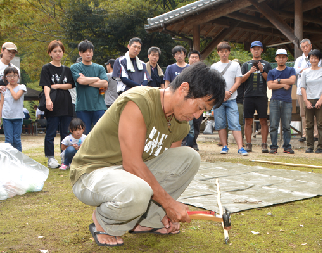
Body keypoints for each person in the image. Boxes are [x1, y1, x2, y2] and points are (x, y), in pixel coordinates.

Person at [69, 62, 225, 247]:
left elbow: (169, 173)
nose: (199, 116)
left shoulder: (180, 124)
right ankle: (105, 222)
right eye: (199, 107)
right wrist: (169, 204)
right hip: (92, 173)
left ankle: (147, 221)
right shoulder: (139, 101)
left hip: (127, 177)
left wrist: (167, 210)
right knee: (138, 189)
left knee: (189, 158)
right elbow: (132, 165)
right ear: (184, 89)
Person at [39, 40, 75, 168]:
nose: (58, 54)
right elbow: (46, 85)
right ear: (50, 53)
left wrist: (58, 85)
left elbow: (70, 84)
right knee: (51, 132)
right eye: (55, 51)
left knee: (65, 132)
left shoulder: (67, 69)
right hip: (53, 104)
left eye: (60, 51)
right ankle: (50, 158)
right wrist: (48, 99)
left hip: (66, 103)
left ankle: (65, 156)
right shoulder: (46, 68)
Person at [211, 42, 247, 155]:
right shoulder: (214, 66)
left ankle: (240, 147)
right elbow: (212, 83)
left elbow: (238, 81)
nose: (224, 54)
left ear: (229, 52)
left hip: (232, 99)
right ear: (218, 52)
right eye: (221, 51)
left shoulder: (235, 65)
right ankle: (224, 146)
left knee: (235, 123)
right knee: (220, 123)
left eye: (226, 51)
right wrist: (222, 93)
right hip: (218, 99)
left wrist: (230, 92)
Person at [70, 40, 108, 135]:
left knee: (100, 133)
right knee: (84, 135)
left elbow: (105, 83)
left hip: (99, 106)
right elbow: (81, 81)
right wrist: (96, 78)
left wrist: (87, 81)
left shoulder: (100, 68)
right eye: (85, 51)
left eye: (90, 51)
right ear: (80, 53)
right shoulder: (75, 67)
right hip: (82, 106)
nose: (88, 54)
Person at [240, 41, 272, 153]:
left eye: (259, 48)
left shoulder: (267, 64)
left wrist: (262, 70)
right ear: (251, 50)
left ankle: (264, 144)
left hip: (262, 96)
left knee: (263, 120)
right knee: (247, 120)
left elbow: (270, 80)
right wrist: (250, 72)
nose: (256, 50)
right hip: (248, 96)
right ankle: (248, 144)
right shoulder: (245, 64)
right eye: (254, 48)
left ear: (262, 50)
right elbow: (241, 80)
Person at [267, 49, 296, 154]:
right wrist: (283, 84)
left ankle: (287, 146)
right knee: (273, 125)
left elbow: (292, 80)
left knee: (286, 126)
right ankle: (273, 146)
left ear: (286, 58)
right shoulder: (271, 72)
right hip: (274, 101)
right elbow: (270, 85)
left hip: (287, 101)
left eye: (283, 57)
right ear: (276, 59)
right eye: (279, 57)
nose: (281, 59)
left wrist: (278, 81)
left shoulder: (291, 70)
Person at [300, 49, 322, 153]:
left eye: (315, 58)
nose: (313, 60)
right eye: (311, 57)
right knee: (309, 124)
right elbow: (302, 87)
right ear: (309, 59)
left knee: (321, 124)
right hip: (308, 99)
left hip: (320, 99)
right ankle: (309, 146)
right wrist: (306, 101)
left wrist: (320, 100)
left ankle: (321, 146)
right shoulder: (305, 72)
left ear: (319, 59)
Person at [294, 39, 321, 143]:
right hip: (301, 90)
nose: (305, 48)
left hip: (314, 90)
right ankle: (305, 134)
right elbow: (295, 71)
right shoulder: (299, 59)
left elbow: (316, 69)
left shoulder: (317, 57)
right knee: (303, 113)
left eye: (306, 46)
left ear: (311, 46)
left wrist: (302, 70)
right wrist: (305, 69)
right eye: (303, 47)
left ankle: (315, 134)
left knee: (314, 112)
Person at [0, 67, 26, 151]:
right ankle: (8, 160)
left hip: (17, 117)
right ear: (5, 77)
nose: (12, 78)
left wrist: (10, 88)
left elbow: (16, 97)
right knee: (8, 140)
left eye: (14, 75)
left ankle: (19, 159)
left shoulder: (21, 87)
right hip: (7, 117)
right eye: (9, 76)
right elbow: (1, 104)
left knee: (16, 139)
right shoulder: (4, 90)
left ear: (18, 76)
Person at [187, 50, 202, 151]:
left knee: (197, 123)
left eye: (196, 57)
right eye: (192, 57)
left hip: (199, 101)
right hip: (188, 101)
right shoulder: (185, 70)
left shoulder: (203, 71)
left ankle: (194, 141)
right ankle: (189, 144)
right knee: (189, 125)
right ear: (188, 59)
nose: (194, 59)